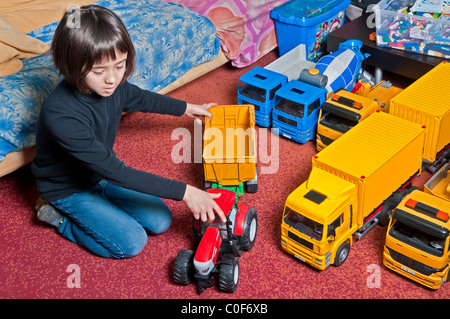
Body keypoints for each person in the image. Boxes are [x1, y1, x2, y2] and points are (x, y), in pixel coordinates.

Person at [31, 5, 225, 259]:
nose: (112, 79)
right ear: (72, 63)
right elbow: (117, 172)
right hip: (68, 188)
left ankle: (103, 207)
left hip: (98, 174)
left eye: (120, 65)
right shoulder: (61, 114)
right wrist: (187, 192)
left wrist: (188, 108)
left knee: (160, 221)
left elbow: (141, 99)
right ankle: (59, 220)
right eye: (99, 71)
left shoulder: (115, 85)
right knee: (131, 243)